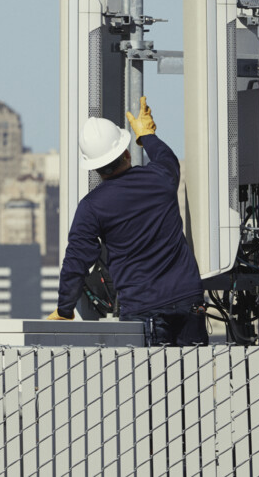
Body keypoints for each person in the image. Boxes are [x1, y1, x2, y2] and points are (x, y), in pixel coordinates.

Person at [48, 97, 208, 346]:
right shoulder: (160, 178)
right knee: (192, 380)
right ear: (126, 153)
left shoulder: (92, 207)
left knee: (150, 384)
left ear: (95, 168)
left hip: (143, 307)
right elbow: (167, 159)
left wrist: (64, 308)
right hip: (189, 298)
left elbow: (76, 261)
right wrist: (146, 135)